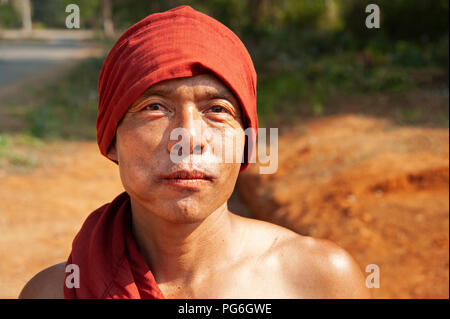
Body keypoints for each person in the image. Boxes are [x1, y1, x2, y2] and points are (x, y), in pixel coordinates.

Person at [19, 5, 371, 299]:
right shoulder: (55, 292)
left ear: (247, 141)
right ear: (111, 138)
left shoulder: (318, 280)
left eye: (217, 109)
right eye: (155, 107)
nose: (188, 137)